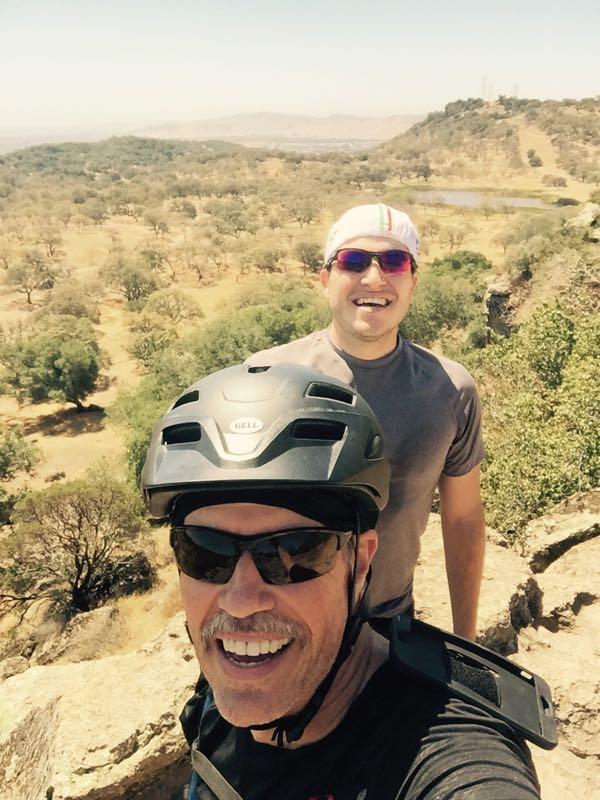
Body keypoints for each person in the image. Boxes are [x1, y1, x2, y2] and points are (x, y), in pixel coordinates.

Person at [141, 363, 542, 800]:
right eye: (205, 552)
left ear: (362, 562)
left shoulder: (444, 749)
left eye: (294, 552)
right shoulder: (226, 680)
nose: (239, 601)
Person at [245, 203, 486, 639]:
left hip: (390, 626)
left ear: (413, 280)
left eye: (393, 262)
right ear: (325, 280)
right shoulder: (266, 378)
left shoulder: (450, 391)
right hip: (281, 625)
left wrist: (466, 640)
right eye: (353, 261)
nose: (374, 278)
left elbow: (463, 518)